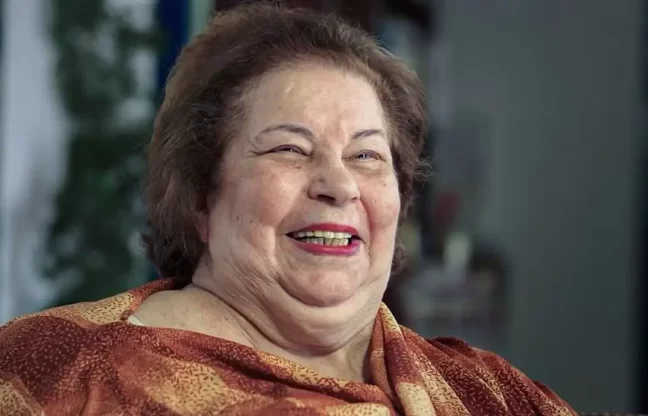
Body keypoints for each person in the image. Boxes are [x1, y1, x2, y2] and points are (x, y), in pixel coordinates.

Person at [0, 4, 577, 415]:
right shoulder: (55, 372)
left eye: (367, 156)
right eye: (290, 150)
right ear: (200, 193)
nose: (340, 185)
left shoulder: (491, 392)